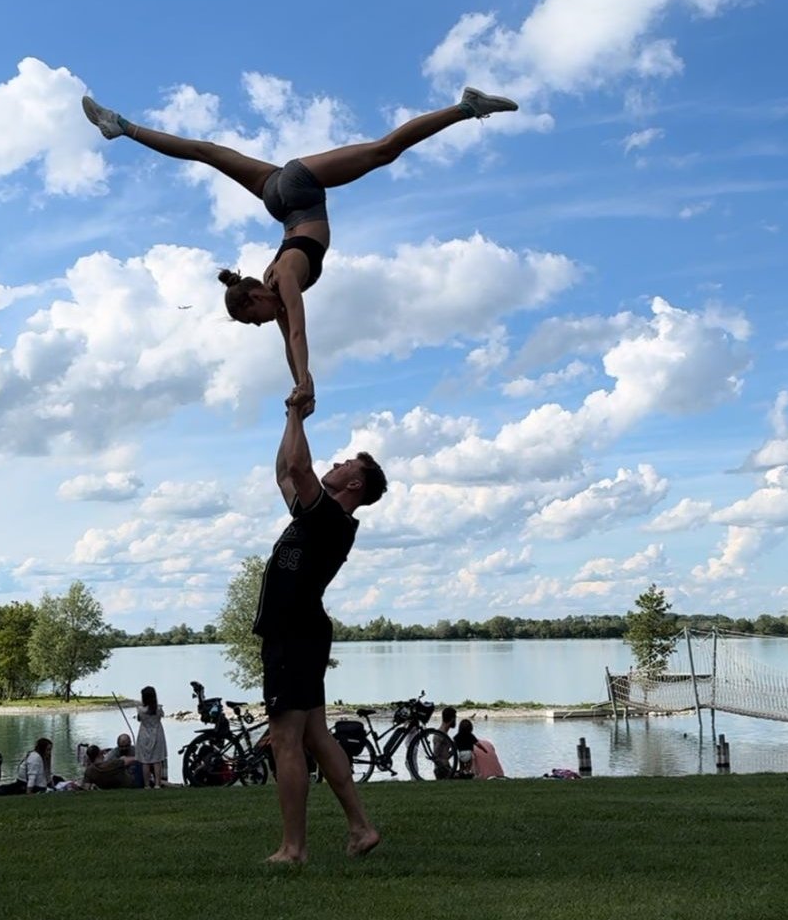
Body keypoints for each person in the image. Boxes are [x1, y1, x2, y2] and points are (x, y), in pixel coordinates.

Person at [81, 87, 519, 406]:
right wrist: (301, 386)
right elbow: (288, 346)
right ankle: (122, 126)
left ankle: (467, 107)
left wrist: (306, 378)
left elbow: (297, 334)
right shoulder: (273, 284)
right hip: (279, 196)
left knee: (385, 150)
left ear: (255, 297)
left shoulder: (285, 277)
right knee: (206, 152)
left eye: (252, 318)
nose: (258, 324)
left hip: (299, 186)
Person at [252, 396, 387, 863]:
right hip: (302, 633)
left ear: (354, 483)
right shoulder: (316, 516)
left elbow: (298, 466)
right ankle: (361, 828)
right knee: (314, 735)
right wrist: (292, 415)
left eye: (346, 463)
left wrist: (297, 415)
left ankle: (293, 848)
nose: (337, 463)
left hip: (293, 634)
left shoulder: (331, 518)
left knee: (285, 739)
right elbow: (283, 474)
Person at [135, 686, 168, 788]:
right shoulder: (158, 709)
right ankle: (157, 784)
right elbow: (161, 716)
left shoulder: (141, 710)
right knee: (157, 760)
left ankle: (147, 785)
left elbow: (139, 719)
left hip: (144, 735)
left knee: (145, 762)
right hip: (157, 734)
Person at [434, 705, 457, 780]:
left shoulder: (443, 733)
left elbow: (444, 755)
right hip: (442, 769)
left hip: (445, 767)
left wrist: (454, 748)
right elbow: (435, 755)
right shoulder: (441, 734)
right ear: (452, 719)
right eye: (455, 718)